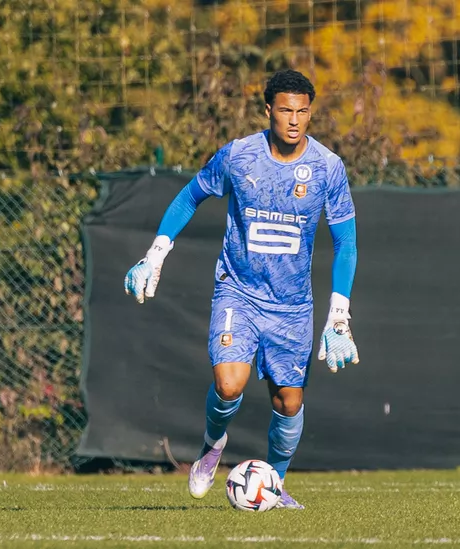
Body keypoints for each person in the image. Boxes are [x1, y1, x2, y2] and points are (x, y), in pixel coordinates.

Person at [123, 69, 359, 510]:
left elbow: (346, 242)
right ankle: (213, 446)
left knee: (288, 402)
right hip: (239, 292)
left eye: (303, 112)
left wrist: (339, 315)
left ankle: (275, 483)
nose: (294, 120)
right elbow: (190, 196)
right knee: (229, 385)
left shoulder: (328, 168)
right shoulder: (238, 156)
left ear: (311, 113)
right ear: (268, 109)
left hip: (292, 307)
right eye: (286, 110)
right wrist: (155, 253)